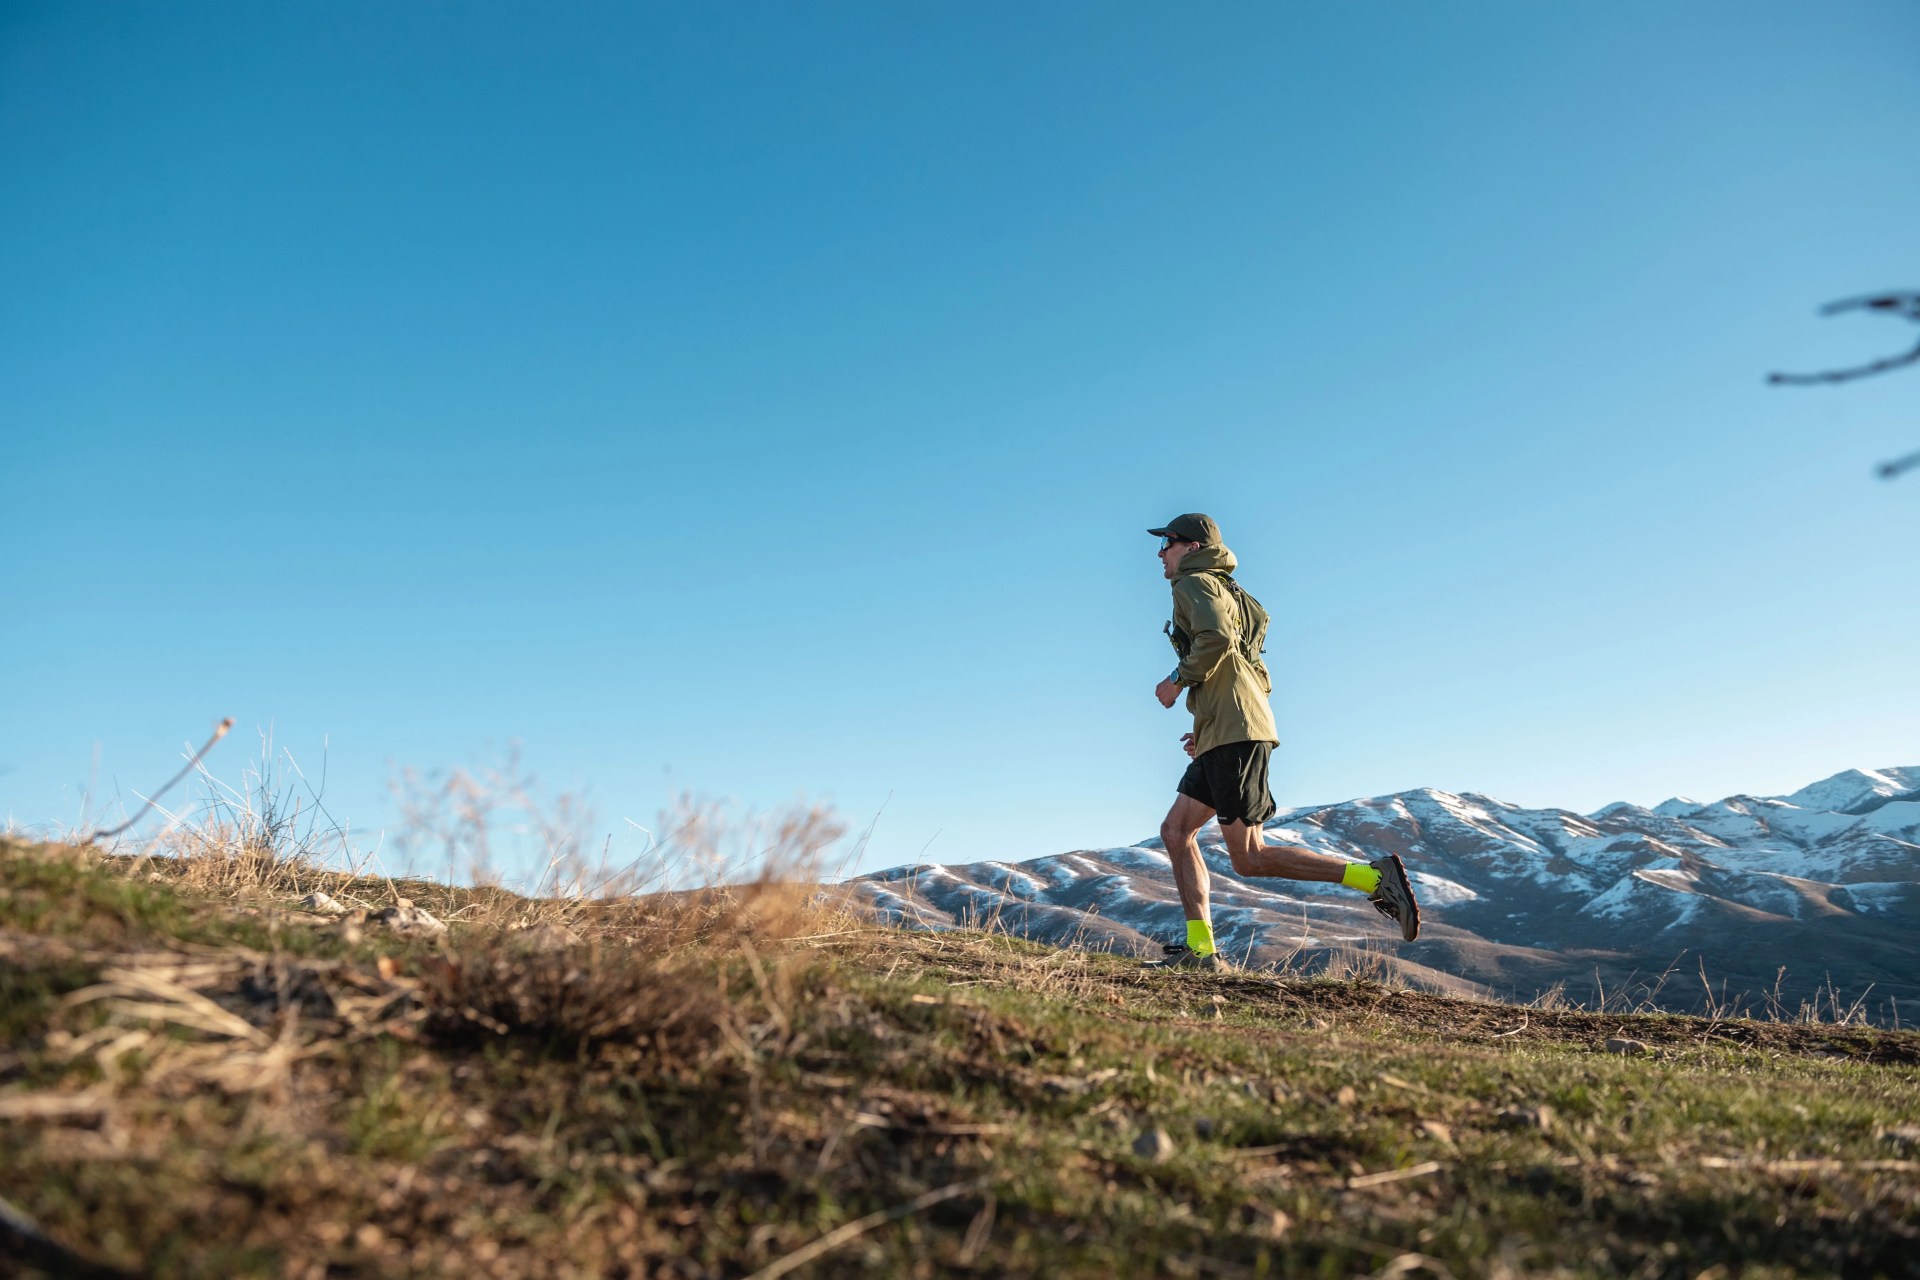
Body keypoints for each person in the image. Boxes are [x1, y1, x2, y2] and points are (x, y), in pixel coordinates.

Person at [1146, 512, 1420, 970]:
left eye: (1167, 543)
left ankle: (1373, 879)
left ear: (1193, 548)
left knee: (1249, 857)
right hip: (1228, 728)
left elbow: (1215, 639)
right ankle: (1201, 950)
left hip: (1235, 732)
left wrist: (1177, 680)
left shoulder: (1194, 582)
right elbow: (1249, 670)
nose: (1160, 553)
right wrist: (1211, 726)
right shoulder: (1231, 591)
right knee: (1176, 832)